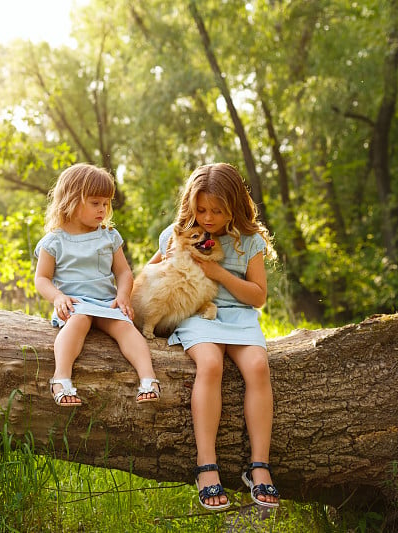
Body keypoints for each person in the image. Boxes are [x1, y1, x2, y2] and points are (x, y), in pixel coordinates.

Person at [145, 163, 280, 510]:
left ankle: (259, 466)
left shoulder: (249, 242)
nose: (207, 218)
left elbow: (258, 296)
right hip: (196, 312)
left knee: (258, 367)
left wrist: (218, 272)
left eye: (217, 211)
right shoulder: (177, 233)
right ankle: (207, 466)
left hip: (239, 316)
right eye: (201, 209)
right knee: (210, 364)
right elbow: (150, 271)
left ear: (234, 206)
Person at [34, 163, 160, 407]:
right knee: (79, 321)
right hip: (75, 303)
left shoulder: (109, 236)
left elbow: (123, 272)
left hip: (106, 302)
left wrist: (123, 296)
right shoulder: (54, 241)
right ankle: (61, 378)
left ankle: (148, 378)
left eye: (106, 203)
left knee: (125, 327)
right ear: (71, 200)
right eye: (95, 203)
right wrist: (58, 297)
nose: (103, 209)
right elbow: (42, 278)